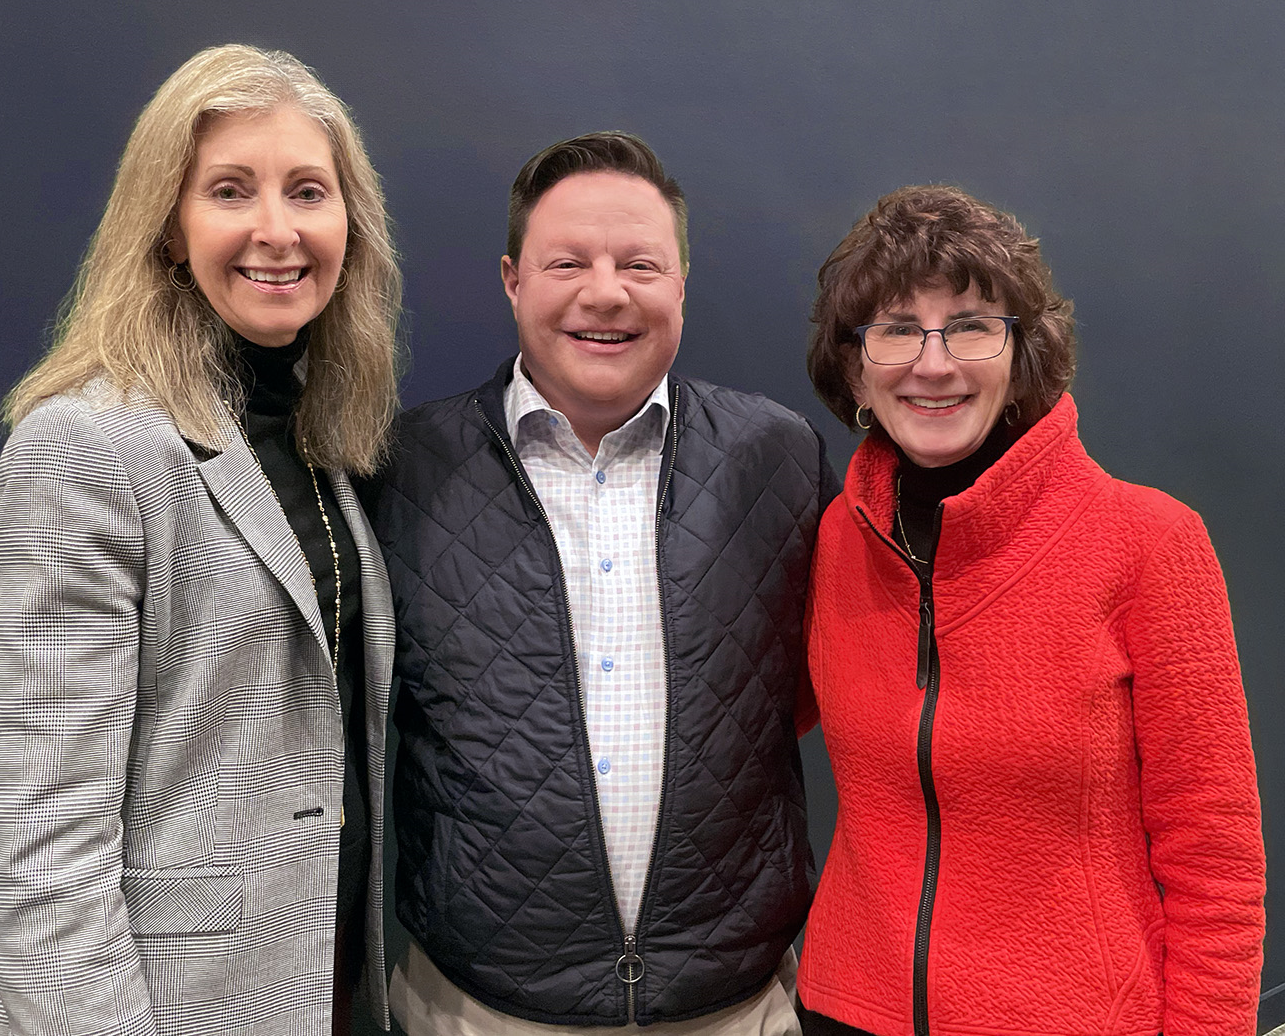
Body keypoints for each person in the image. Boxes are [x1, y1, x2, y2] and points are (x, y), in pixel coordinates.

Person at [0, 44, 401, 1036]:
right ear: (166, 225)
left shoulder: (327, 444)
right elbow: (42, 848)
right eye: (230, 191)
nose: (277, 231)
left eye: (309, 192)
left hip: (316, 991)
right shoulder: (86, 442)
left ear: (350, 222)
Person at [361, 131, 839, 1035]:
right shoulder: (402, 469)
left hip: (732, 1010)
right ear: (512, 281)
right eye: (567, 261)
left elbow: (842, 689)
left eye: (640, 264)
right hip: (474, 1010)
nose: (605, 292)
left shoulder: (776, 458)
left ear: (682, 288)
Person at [797, 184, 1265, 1036]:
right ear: (854, 364)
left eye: (971, 325)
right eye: (896, 328)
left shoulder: (1148, 543)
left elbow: (1215, 866)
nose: (931, 364)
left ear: (1021, 353)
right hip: (845, 1009)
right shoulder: (834, 540)